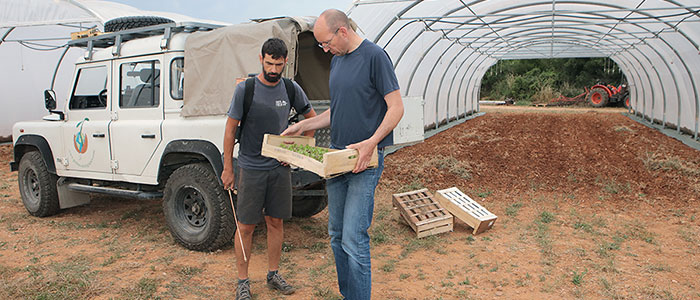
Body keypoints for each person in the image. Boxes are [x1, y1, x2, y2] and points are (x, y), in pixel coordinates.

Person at [282, 9, 404, 300]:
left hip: (365, 161)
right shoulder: (337, 61)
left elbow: (396, 107)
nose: (324, 49)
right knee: (336, 235)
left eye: (326, 43)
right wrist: (304, 125)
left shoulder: (375, 57)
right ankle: (349, 294)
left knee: (353, 237)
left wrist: (371, 142)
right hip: (338, 159)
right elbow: (337, 111)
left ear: (343, 31)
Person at [221, 38, 316, 300]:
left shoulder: (290, 88)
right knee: (246, 227)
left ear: (286, 62)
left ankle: (273, 274)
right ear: (261, 59)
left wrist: (294, 151)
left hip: (279, 169)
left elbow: (312, 120)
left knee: (276, 222)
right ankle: (243, 281)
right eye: (269, 63)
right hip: (251, 168)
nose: (273, 69)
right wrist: (228, 168)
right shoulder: (246, 89)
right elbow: (230, 131)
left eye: (278, 64)